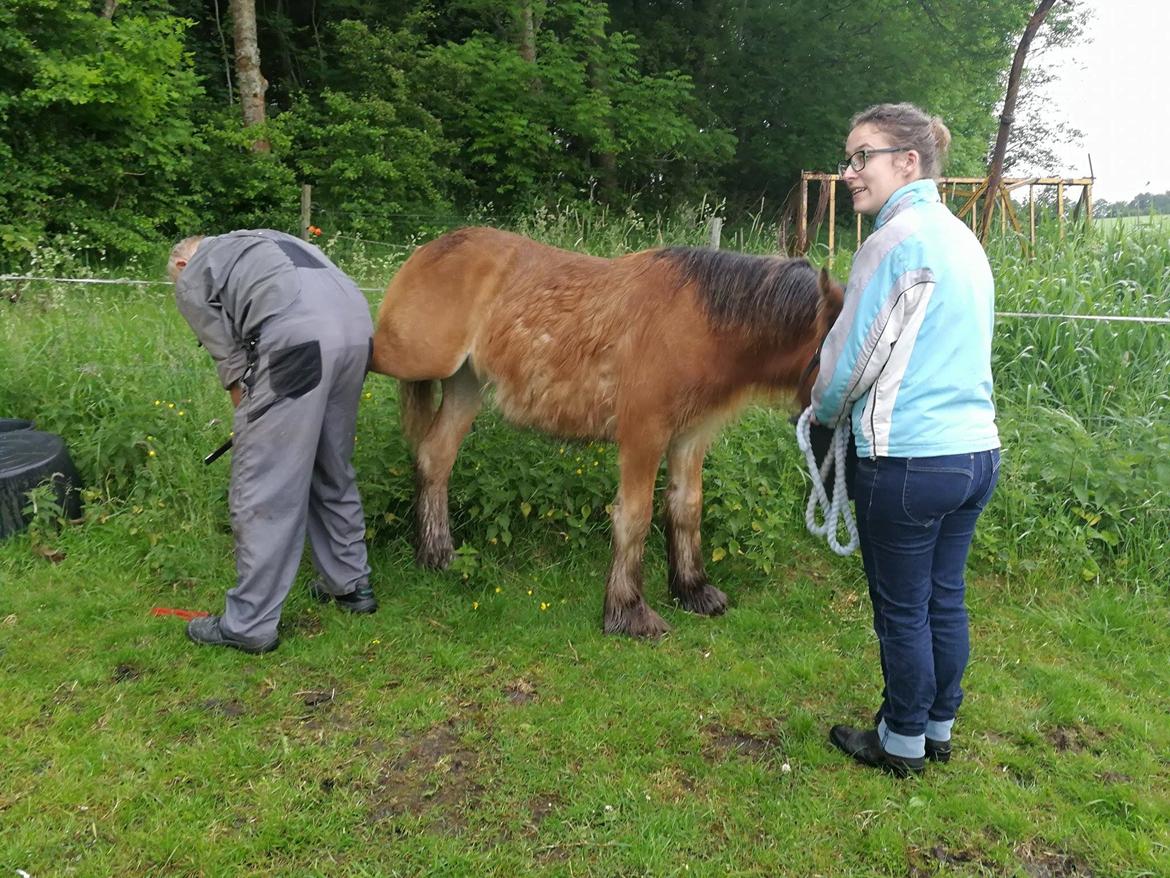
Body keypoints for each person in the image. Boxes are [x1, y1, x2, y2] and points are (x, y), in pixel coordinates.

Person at [811, 103, 1001, 776]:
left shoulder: (894, 242)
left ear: (908, 162)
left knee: (902, 610)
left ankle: (900, 743)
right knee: (943, 596)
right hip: (977, 452)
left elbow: (850, 362)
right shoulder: (961, 240)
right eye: (849, 157)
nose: (849, 171)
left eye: (863, 156)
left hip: (911, 460)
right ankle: (938, 728)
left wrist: (820, 411)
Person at [168, 229, 377, 654]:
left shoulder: (192, 274)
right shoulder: (264, 240)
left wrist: (254, 431)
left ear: (182, 265)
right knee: (330, 462)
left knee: (266, 480)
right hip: (357, 331)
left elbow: (232, 366)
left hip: (298, 339)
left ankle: (249, 624)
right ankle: (350, 585)